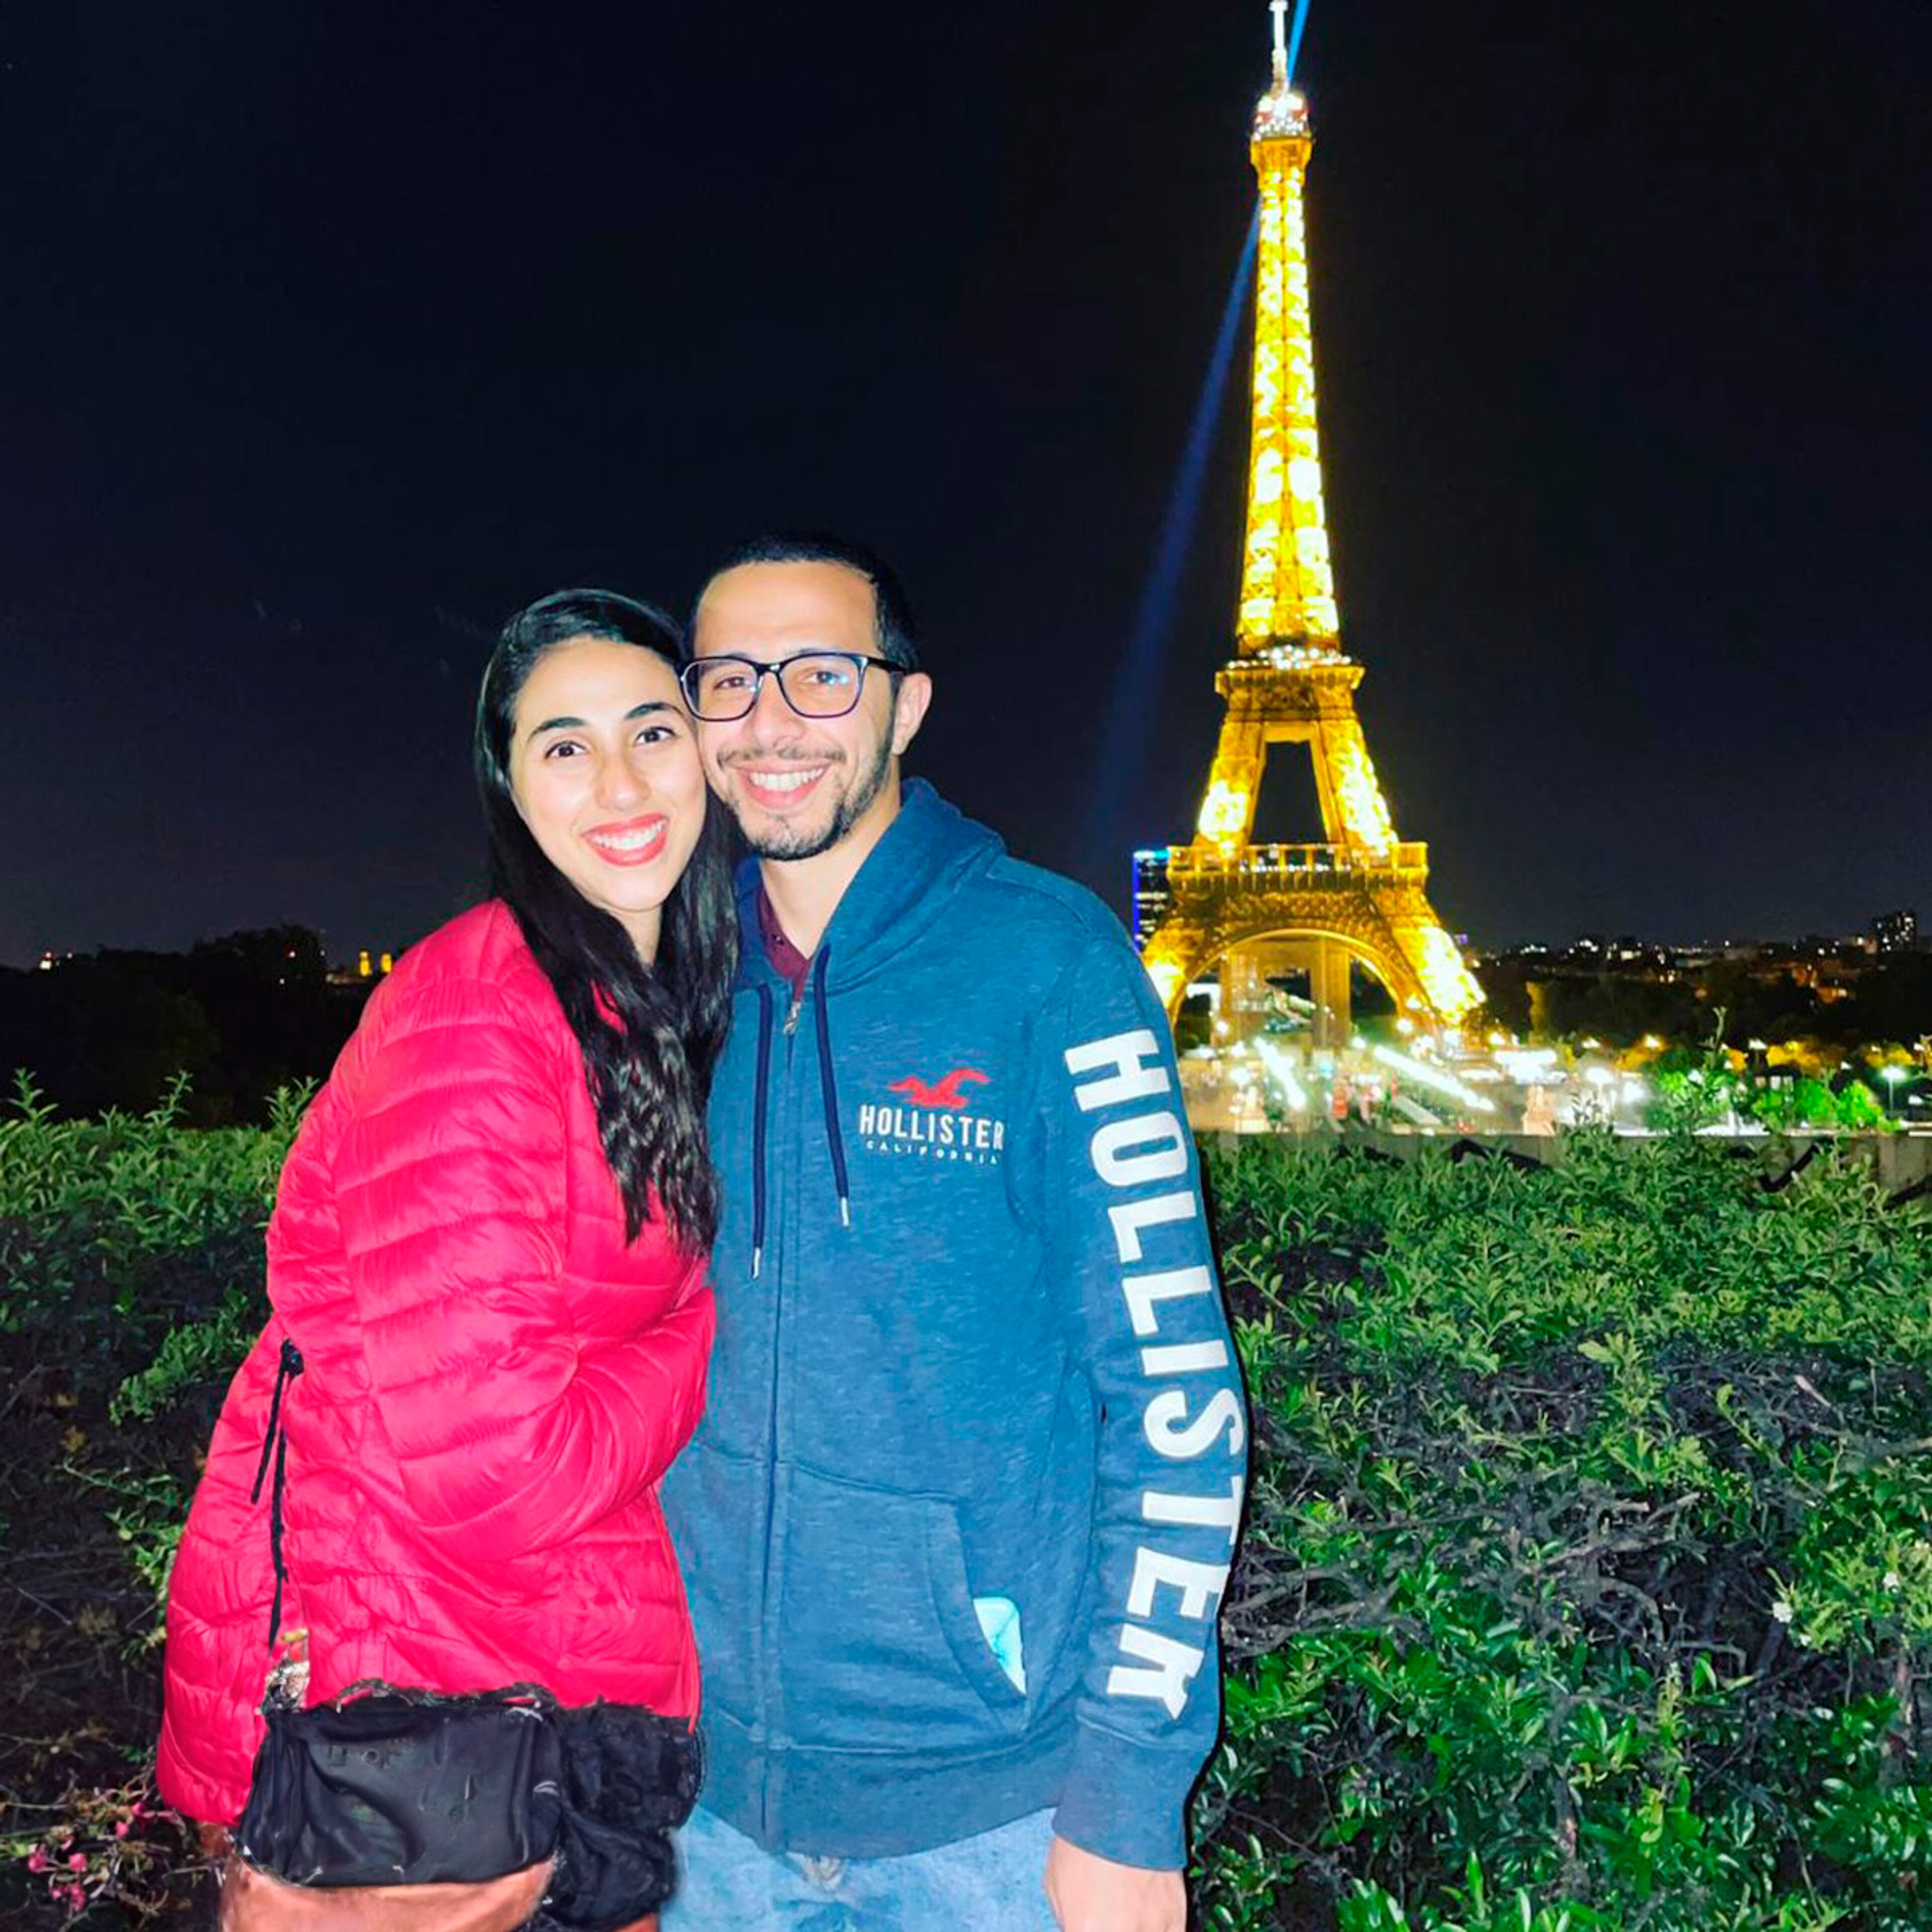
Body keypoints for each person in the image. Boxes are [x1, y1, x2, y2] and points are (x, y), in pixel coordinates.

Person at [661, 535, 1248, 1932]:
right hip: (700, 1808)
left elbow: (1174, 1397)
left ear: (905, 706)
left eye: (820, 673)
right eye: (729, 681)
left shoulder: (1051, 965)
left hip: (989, 1826)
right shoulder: (667, 980)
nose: (772, 720)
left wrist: (1125, 1796)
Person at [157, 590, 737, 1930]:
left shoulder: (620, 1008)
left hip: (496, 1698)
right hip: (419, 1731)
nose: (620, 784)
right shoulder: (483, 1009)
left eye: (652, 731)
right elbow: (500, 1473)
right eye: (563, 748)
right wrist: (703, 1332)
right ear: (510, 788)